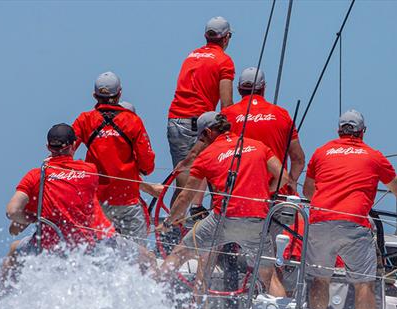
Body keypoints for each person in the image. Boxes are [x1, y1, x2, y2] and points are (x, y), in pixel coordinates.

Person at [304, 110, 397, 309]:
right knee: (364, 283)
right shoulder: (373, 156)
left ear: (338, 130)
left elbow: (307, 192)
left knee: (320, 279)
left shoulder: (321, 152)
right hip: (353, 223)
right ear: (362, 132)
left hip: (320, 220)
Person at [159, 112, 285, 296]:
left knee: (179, 253)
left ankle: (151, 294)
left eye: (201, 137)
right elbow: (284, 177)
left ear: (209, 132)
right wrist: (265, 192)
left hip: (223, 220)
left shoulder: (205, 156)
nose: (201, 141)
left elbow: (185, 197)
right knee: (269, 277)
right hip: (257, 221)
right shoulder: (258, 146)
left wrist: (168, 222)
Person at [1, 124, 114, 284]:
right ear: (74, 145)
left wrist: (32, 218)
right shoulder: (90, 171)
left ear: (48, 147)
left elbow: (12, 212)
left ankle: (2, 297)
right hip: (83, 250)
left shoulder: (37, 175)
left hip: (47, 251)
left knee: (14, 248)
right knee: (147, 256)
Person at [73, 72, 156, 242]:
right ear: (119, 94)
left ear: (95, 96)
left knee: (98, 251)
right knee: (138, 253)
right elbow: (147, 165)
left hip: (97, 201)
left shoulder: (84, 120)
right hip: (128, 201)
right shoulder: (133, 121)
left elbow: (66, 151)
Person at [223, 67, 305, 195]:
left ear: (239, 89)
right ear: (263, 88)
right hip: (276, 196)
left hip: (238, 196)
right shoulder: (282, 114)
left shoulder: (227, 115)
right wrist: (291, 181)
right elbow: (298, 159)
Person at [167, 16, 235, 169]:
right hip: (200, 124)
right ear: (226, 38)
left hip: (175, 120)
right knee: (212, 178)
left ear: (206, 36)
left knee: (183, 182)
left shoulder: (191, 56)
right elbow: (227, 104)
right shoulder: (224, 61)